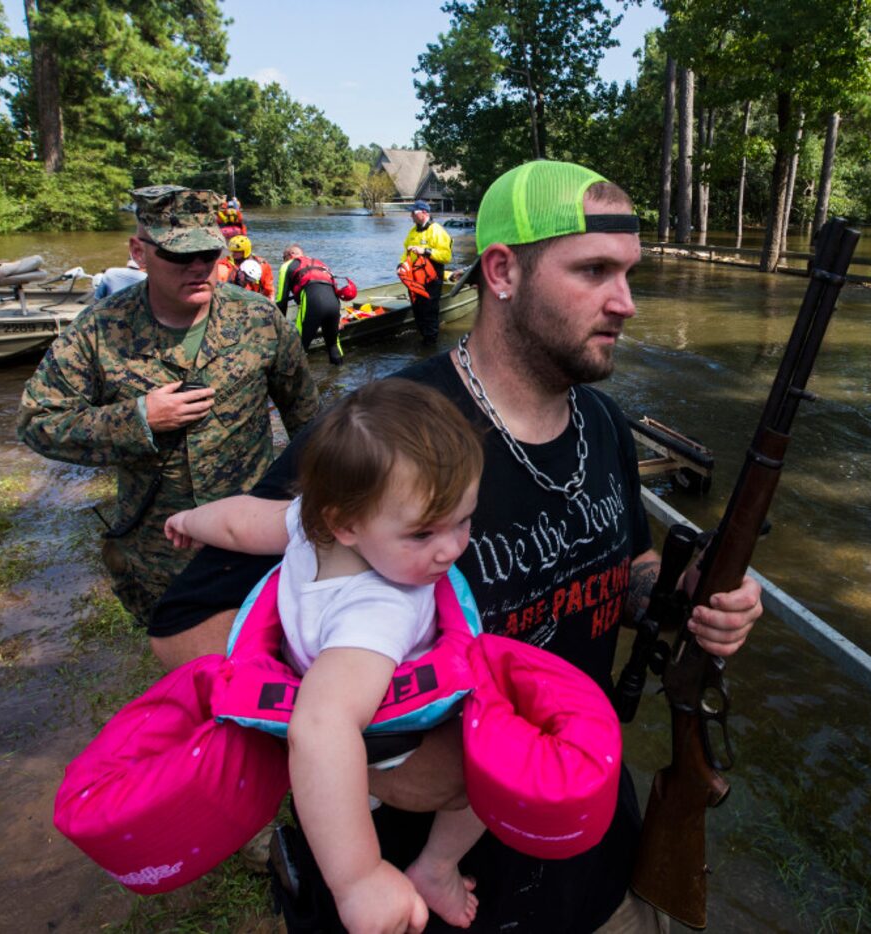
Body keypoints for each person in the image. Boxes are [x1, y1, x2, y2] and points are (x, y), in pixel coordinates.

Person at [150, 161, 762, 932]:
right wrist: (384, 753)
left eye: (629, 274)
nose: (626, 303)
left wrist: (699, 593)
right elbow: (184, 631)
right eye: (595, 271)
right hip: (424, 883)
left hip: (590, 849)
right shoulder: (389, 431)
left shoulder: (603, 424)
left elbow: (620, 575)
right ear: (504, 271)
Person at [165, 379, 487, 930]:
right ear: (348, 523)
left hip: (327, 685)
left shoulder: (312, 528)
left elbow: (241, 521)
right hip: (390, 740)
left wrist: (190, 521)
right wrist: (358, 880)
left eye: (464, 520)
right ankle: (437, 865)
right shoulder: (381, 609)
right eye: (424, 533)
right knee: (494, 778)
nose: (452, 548)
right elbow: (320, 726)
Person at [17, 185, 320, 626]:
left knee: (260, 655)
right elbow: (36, 421)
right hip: (158, 548)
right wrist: (138, 419)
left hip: (253, 535)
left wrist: (317, 506)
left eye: (208, 253)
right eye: (180, 256)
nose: (200, 268)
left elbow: (306, 419)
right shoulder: (101, 330)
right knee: (177, 664)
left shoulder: (259, 319)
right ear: (139, 253)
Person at [275, 244, 344, 365]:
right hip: (334, 304)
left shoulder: (287, 265)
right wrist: (339, 317)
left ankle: (294, 381)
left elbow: (282, 299)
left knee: (298, 347)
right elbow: (335, 288)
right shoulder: (320, 264)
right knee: (333, 345)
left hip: (313, 303)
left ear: (289, 255)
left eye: (283, 258)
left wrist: (279, 327)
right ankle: (339, 378)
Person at [398, 199, 452, 345]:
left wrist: (425, 251)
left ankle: (431, 342)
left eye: (413, 213)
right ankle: (424, 337)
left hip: (431, 278)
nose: (411, 216)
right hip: (414, 278)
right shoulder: (413, 231)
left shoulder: (437, 231)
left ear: (424, 213)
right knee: (418, 309)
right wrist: (402, 265)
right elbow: (406, 252)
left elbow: (446, 256)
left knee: (429, 310)